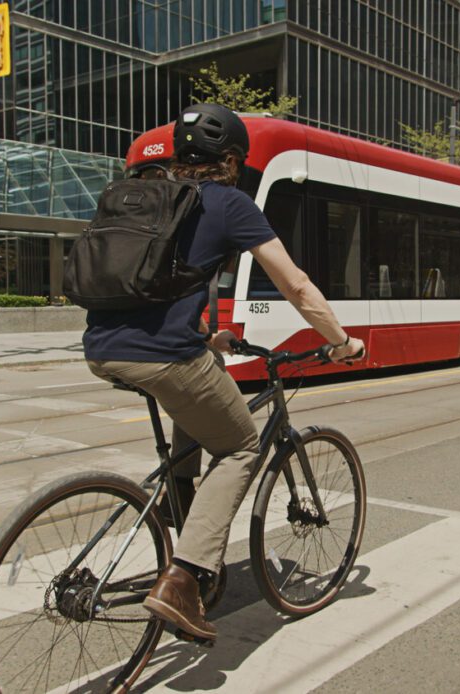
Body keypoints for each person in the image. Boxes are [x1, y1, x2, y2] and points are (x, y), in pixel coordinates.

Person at [83, 103, 366, 643]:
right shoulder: (228, 202)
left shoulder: (153, 196)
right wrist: (341, 341)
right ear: (232, 160)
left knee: (206, 370)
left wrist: (206, 337)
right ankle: (183, 580)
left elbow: (152, 286)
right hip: (163, 353)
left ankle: (181, 500)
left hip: (101, 346)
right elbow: (297, 285)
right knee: (242, 447)